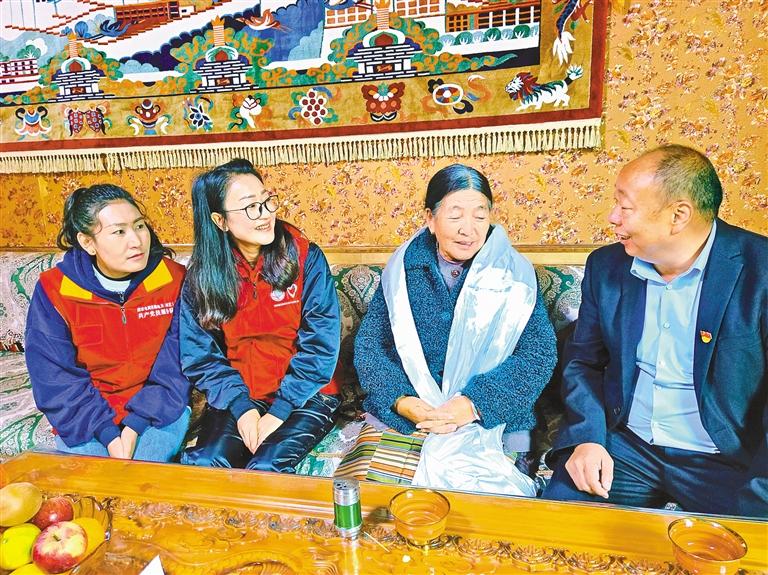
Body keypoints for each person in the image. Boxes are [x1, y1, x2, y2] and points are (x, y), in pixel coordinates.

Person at [544, 144, 768, 517]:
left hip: (725, 459)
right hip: (627, 448)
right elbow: (583, 361)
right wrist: (587, 438)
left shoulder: (760, 271)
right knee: (557, 525)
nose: (613, 217)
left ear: (678, 215)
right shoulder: (607, 267)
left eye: (625, 207)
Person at [353, 163, 557, 494]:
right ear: (430, 219)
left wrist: (474, 404)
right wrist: (401, 400)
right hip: (414, 415)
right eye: (455, 215)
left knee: (491, 504)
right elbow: (371, 346)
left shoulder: (514, 274)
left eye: (480, 215)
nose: (468, 229)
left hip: (494, 416)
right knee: (374, 501)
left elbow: (538, 355)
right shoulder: (403, 271)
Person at [180, 158, 341, 471]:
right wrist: (242, 408)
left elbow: (321, 345)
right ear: (220, 220)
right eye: (251, 207)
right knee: (208, 463)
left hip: (306, 395)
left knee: (266, 467)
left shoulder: (305, 257)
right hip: (241, 394)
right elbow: (200, 356)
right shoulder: (203, 276)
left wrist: (279, 412)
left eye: (267, 201)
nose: (266, 214)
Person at [25, 184, 190, 461]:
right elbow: (54, 376)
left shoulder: (174, 279)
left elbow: (177, 364)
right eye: (119, 232)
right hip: (85, 414)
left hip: (159, 408)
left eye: (139, 226)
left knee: (144, 472)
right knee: (93, 478)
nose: (136, 241)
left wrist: (135, 426)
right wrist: (107, 432)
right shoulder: (55, 290)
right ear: (87, 242)